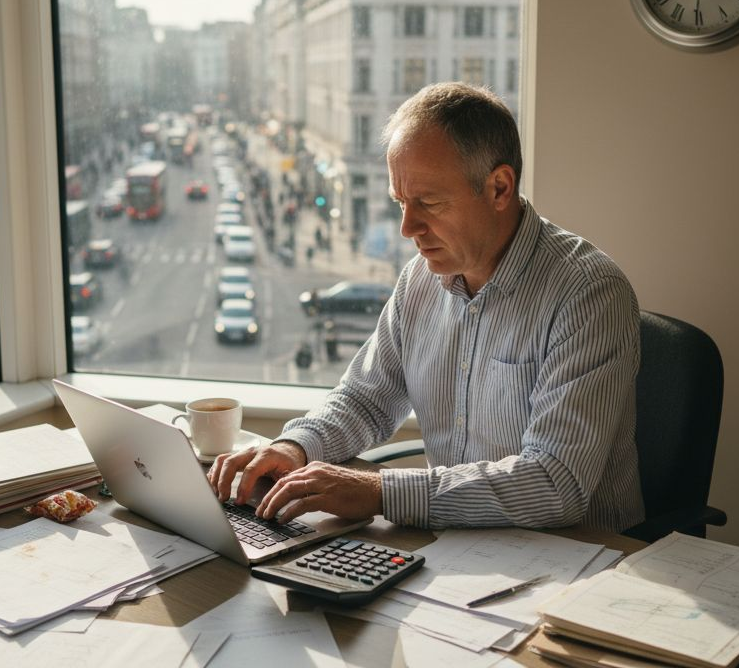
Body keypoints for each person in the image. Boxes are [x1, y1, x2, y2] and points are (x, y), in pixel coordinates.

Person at [208, 83, 644, 532]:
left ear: (499, 187)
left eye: (429, 203)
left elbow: (555, 484)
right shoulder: (420, 278)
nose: (407, 228)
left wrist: (381, 492)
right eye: (401, 202)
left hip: (579, 564)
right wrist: (297, 447)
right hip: (455, 546)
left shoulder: (589, 293)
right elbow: (365, 399)